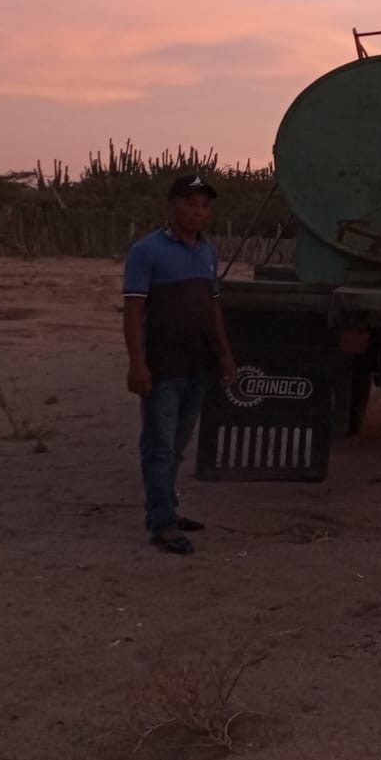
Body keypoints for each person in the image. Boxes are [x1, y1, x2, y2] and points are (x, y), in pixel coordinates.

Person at [122, 174, 236, 555]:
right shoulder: (146, 251)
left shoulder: (207, 252)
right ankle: (162, 524)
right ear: (171, 206)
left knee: (177, 446)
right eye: (189, 203)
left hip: (198, 364)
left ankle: (166, 509)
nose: (198, 211)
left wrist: (224, 354)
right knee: (158, 445)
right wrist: (137, 364)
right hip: (163, 365)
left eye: (204, 204)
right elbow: (133, 310)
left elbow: (212, 307)